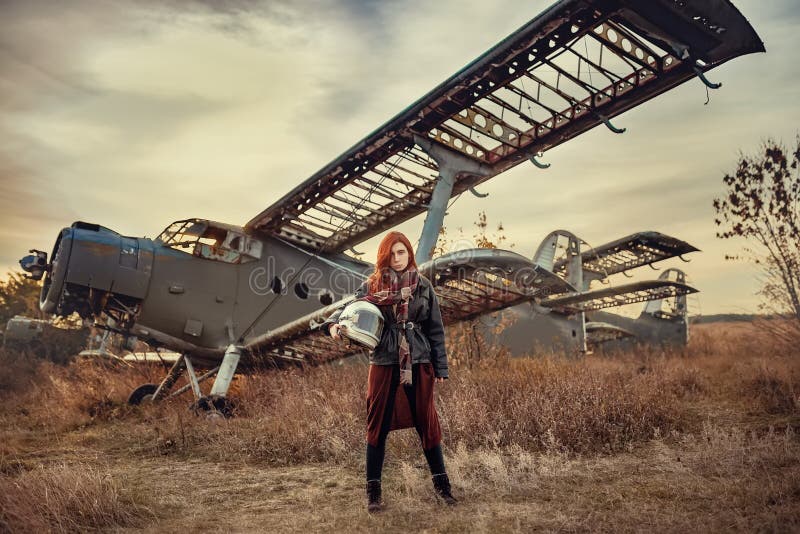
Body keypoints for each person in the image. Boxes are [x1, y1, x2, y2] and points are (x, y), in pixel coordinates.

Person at [325, 231, 456, 513]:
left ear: (409, 254)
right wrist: (334, 325)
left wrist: (441, 366)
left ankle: (443, 490)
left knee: (426, 422)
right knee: (377, 426)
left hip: (419, 361)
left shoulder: (423, 287)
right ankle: (373, 495)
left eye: (402, 253)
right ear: (384, 256)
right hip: (384, 360)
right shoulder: (372, 285)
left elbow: (436, 330)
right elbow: (347, 308)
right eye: (392, 254)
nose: (397, 259)